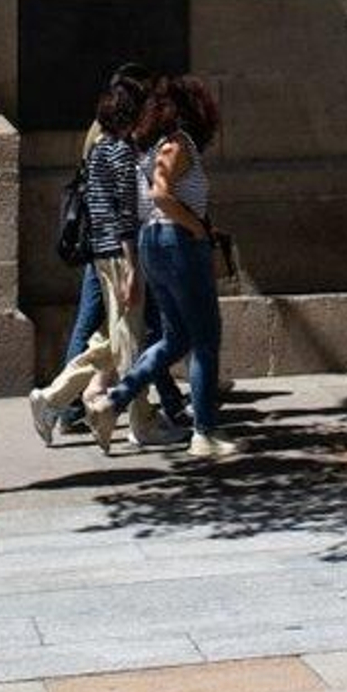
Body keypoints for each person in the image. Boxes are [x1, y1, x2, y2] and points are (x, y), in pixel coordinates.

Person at [27, 74, 188, 448]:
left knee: (114, 339)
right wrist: (132, 268)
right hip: (120, 255)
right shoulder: (121, 153)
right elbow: (124, 216)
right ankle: (141, 422)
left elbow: (104, 212)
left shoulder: (100, 149)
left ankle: (57, 400)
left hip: (103, 254)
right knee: (129, 342)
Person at [86, 75, 237, 461]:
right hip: (178, 245)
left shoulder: (151, 148)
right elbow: (160, 192)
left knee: (174, 339)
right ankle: (205, 432)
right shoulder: (178, 143)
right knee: (204, 341)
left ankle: (113, 402)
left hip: (153, 244)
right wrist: (196, 228)